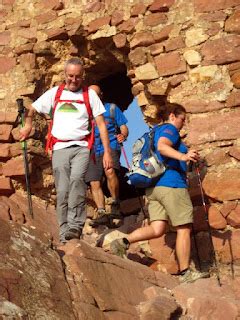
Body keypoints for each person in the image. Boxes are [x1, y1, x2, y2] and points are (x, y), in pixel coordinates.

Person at [110, 103, 209, 283]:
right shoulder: (170, 129)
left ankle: (122, 243)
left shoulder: (153, 131)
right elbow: (163, 147)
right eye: (182, 120)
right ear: (172, 116)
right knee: (184, 227)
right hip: (171, 185)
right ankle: (186, 272)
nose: (183, 124)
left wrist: (186, 159)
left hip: (153, 187)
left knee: (158, 228)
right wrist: (184, 156)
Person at [19, 58, 113, 244]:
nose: (73, 80)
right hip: (60, 147)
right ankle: (63, 232)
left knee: (77, 181)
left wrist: (108, 152)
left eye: (78, 76)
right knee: (62, 191)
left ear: (83, 76)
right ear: (65, 75)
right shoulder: (55, 93)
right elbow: (32, 108)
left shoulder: (90, 95)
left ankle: (75, 226)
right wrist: (28, 125)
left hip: (81, 146)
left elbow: (101, 125)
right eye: (70, 76)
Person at [85, 84, 128, 226]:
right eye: (91, 94)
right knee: (94, 181)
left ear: (101, 95)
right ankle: (102, 211)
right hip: (93, 149)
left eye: (96, 94)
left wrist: (123, 135)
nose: (93, 97)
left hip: (110, 145)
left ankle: (115, 204)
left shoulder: (112, 108)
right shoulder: (85, 112)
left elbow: (123, 127)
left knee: (110, 172)